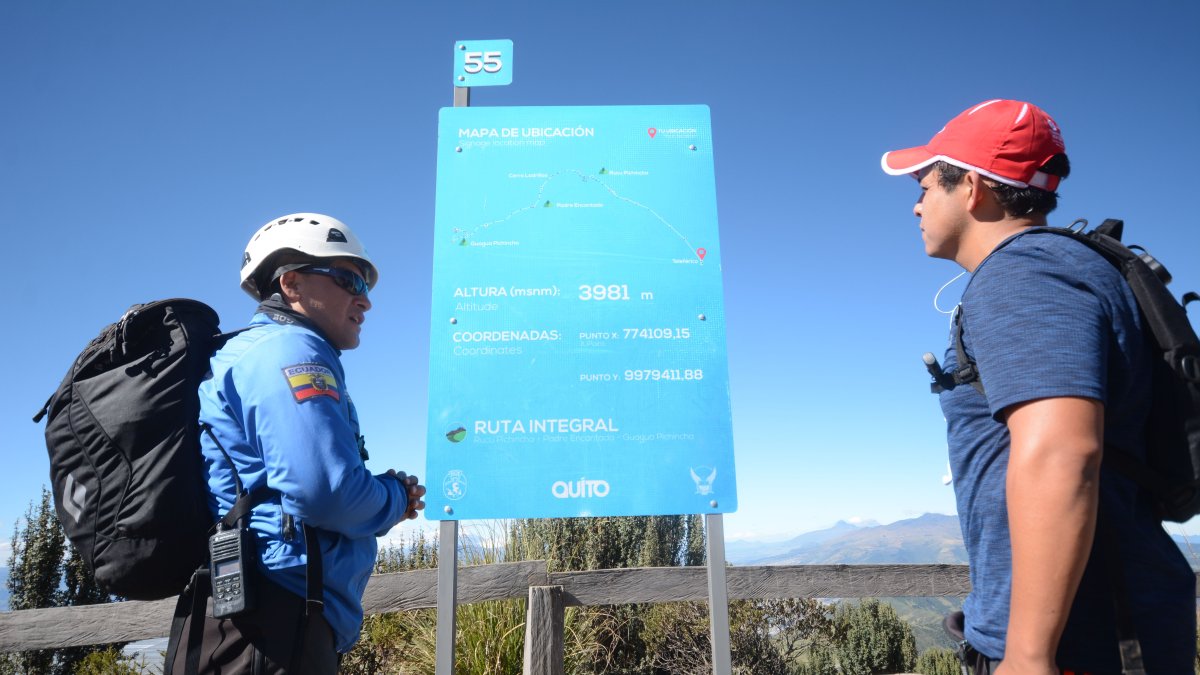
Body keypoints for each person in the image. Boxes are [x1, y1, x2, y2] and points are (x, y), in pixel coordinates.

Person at [881, 100, 1195, 673]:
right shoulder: (1058, 268)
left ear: (972, 187)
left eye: (925, 186)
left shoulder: (1026, 274)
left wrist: (1028, 655)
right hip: (1096, 626)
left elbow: (1062, 451)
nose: (917, 204)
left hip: (1088, 640)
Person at [169, 212, 426, 674]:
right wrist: (395, 497)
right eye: (350, 280)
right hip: (277, 625)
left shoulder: (255, 353)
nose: (365, 301)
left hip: (262, 618)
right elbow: (327, 493)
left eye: (366, 286)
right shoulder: (290, 353)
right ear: (291, 284)